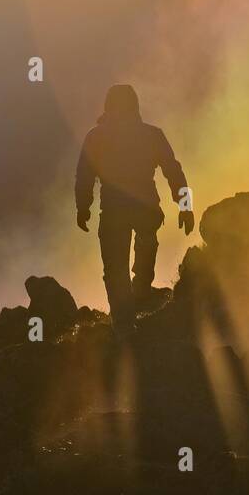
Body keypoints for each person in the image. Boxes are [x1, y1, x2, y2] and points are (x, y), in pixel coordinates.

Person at [75, 84, 193, 340]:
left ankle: (124, 323)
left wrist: (83, 207)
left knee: (115, 267)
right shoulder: (151, 135)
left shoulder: (97, 137)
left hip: (114, 211)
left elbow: (84, 176)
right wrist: (185, 206)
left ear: (108, 107)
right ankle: (139, 291)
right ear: (135, 106)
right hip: (145, 207)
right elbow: (173, 171)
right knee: (145, 242)